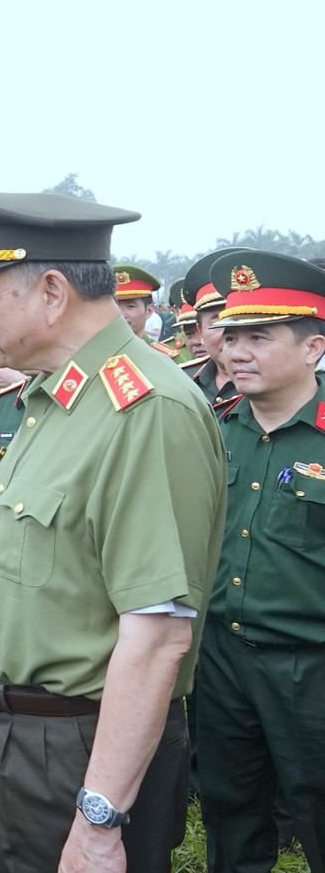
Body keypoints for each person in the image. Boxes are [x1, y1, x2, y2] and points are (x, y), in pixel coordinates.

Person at [0, 181, 226, 872]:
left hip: (78, 748)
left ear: (53, 291)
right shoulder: (52, 396)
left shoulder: (145, 411)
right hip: (12, 733)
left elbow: (157, 636)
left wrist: (99, 819)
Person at [193, 251, 325, 871]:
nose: (236, 350)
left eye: (259, 337)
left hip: (310, 666)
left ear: (312, 347)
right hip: (221, 658)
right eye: (232, 334)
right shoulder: (213, 430)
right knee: (230, 810)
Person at [180, 249, 246, 408]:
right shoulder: (181, 379)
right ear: (201, 331)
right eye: (218, 321)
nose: (229, 334)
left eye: (239, 319)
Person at [112, 264, 180, 359]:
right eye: (115, 306)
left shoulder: (169, 359)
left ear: (149, 311)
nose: (122, 315)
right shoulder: (93, 356)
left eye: (130, 306)